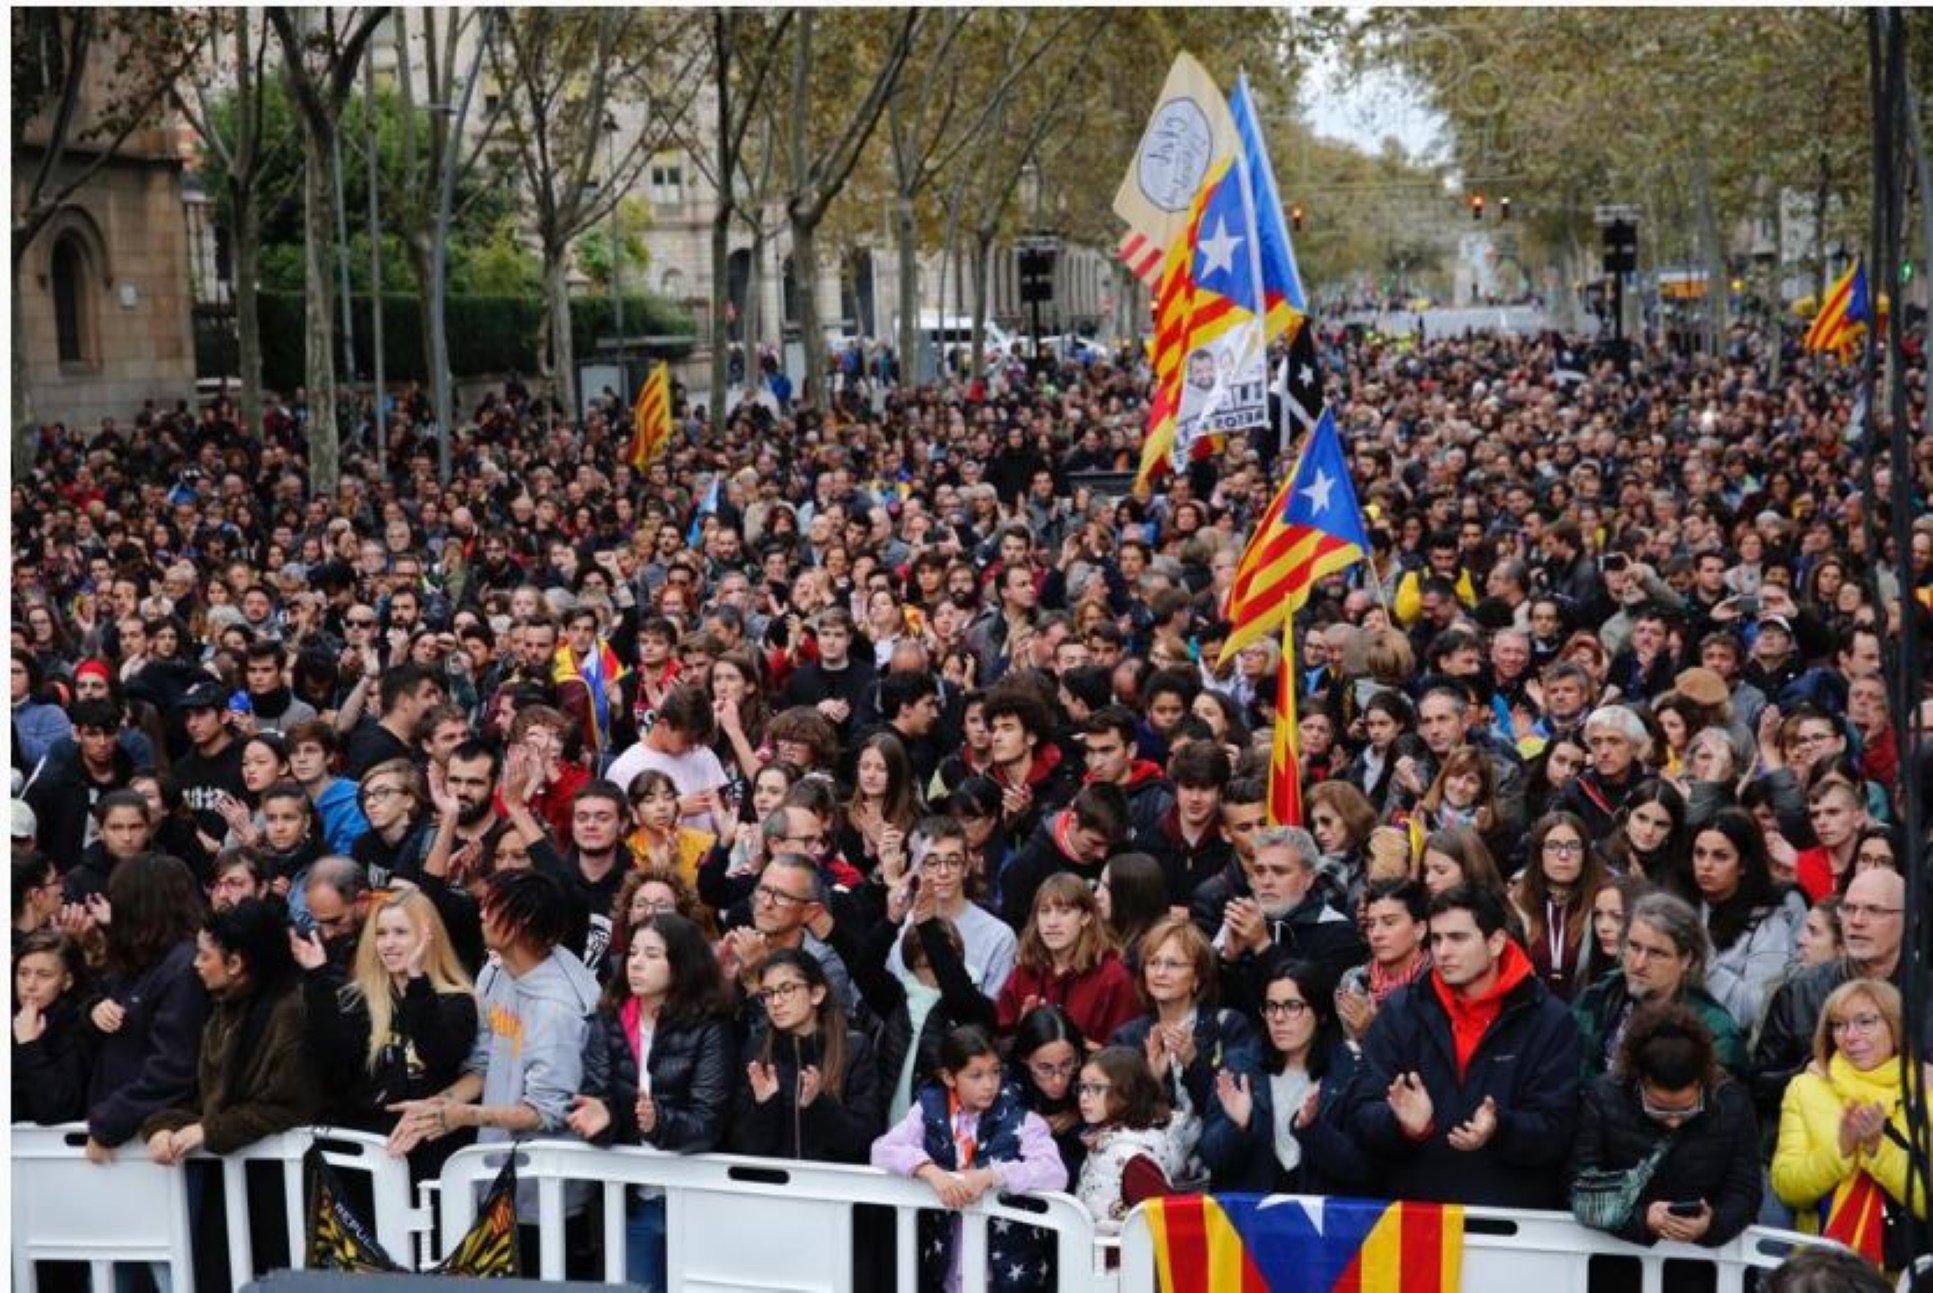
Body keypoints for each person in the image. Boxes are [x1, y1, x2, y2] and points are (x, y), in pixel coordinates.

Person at [386, 869, 600, 1227]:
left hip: (545, 1201)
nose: (480, 914)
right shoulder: (496, 972)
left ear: (521, 922)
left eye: (491, 907)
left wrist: (462, 1117)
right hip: (493, 1180)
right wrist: (440, 1104)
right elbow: (485, 1063)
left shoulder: (559, 1009)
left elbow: (546, 1112)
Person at [1348, 884, 1581, 1208]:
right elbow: (1361, 1114)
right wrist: (1401, 1125)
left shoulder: (1550, 1020)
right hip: (1417, 1227)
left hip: (1513, 1228)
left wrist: (1501, 1128)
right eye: (1437, 939)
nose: (1442, 952)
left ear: (1496, 942)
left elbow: (1558, 1131)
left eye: (1458, 938)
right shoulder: (1401, 1012)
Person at [569, 912, 736, 1289]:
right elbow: (598, 1098)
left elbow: (709, 1122)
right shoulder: (610, 1017)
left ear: (680, 964)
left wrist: (660, 1122)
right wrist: (602, 1121)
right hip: (632, 1199)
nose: (636, 963)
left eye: (652, 955)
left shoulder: (710, 1025)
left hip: (695, 1198)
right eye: (632, 953)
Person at [1568, 1001, 1762, 1280]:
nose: (1673, 1120)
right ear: (1638, 1080)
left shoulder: (1731, 1102)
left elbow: (1745, 1189)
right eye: (1659, 1108)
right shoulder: (1603, 1097)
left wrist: (1712, 1224)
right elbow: (1580, 1183)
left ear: (1702, 1082)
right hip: (1616, 1267)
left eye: (1686, 1109)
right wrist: (1641, 1219)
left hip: (1705, 1273)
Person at [871, 1023, 1067, 1293]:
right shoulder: (929, 1107)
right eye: (976, 1076)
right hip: (948, 1257)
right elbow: (882, 1150)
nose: (989, 1085)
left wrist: (992, 1176)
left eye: (995, 1072)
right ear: (950, 1077)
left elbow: (1054, 1172)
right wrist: (930, 1171)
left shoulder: (1018, 1113)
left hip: (1009, 1261)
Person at [301, 889, 479, 1181]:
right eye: (381, 934)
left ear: (427, 937)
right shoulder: (359, 999)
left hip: (430, 1163)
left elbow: (438, 1054)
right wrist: (318, 981)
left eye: (400, 932)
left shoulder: (457, 1000)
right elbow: (332, 1063)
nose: (389, 944)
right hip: (365, 1161)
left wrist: (417, 980)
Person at [142, 898, 319, 1159]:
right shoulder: (226, 1007)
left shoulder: (289, 1012)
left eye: (204, 956)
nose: (195, 964)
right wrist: (163, 1126)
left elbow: (291, 1107)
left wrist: (210, 1131)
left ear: (235, 964)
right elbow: (208, 1100)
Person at [1771, 979, 1927, 1271]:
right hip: (1820, 1272)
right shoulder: (1806, 1088)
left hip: (1906, 1274)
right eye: (1838, 1025)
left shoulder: (1926, 1091)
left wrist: (1877, 1149)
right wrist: (1841, 1151)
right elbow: (1787, 1187)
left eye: (1865, 1022)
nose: (1850, 1036)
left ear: (1895, 1026)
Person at [1111, 915, 1273, 1191]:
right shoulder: (1128, 1037)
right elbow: (1118, 1119)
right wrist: (1153, 1082)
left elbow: (1231, 1116)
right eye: (1153, 963)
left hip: (1216, 1179)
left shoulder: (1229, 1027)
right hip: (1152, 1179)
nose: (1160, 972)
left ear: (1197, 977)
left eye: (1172, 964)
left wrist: (1193, 1063)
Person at [82, 854, 211, 1163]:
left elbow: (173, 1068)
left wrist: (107, 1124)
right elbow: (98, 997)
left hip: (152, 1142)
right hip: (124, 1129)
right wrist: (93, 1009)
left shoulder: (184, 968)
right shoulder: (137, 956)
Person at [728, 948, 882, 1162]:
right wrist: (765, 1105)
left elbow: (864, 1139)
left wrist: (820, 1104)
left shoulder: (853, 1048)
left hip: (832, 1186)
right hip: (772, 1185)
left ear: (817, 993)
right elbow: (743, 1145)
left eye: (787, 989)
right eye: (767, 994)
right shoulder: (757, 1049)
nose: (776, 1002)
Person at [1675, 809, 1803, 1032]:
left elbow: (1756, 1010)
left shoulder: (1769, 923)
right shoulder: (1679, 906)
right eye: (1699, 853)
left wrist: (1702, 959)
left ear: (1743, 865)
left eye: (1720, 856)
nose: (1705, 865)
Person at [1255, 959, 1372, 1194]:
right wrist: (1241, 1126)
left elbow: (1362, 1171)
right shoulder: (1245, 1068)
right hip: (1253, 1221)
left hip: (1325, 1221)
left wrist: (1313, 1130)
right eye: (1271, 1006)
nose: (1278, 1018)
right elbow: (1214, 1156)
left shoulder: (1351, 1072)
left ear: (1321, 1014)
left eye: (1292, 1006)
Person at [994, 871, 1140, 1047]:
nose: (1052, 922)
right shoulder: (1023, 973)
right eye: (1045, 912)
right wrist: (1024, 1031)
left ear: (1086, 917)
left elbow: (1126, 1054)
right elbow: (999, 1044)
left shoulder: (1113, 978)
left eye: (1064, 912)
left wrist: (1078, 1046)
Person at [1071, 1044, 1190, 1233]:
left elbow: (1170, 1227)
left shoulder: (1133, 1159)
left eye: (1096, 1087)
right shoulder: (1104, 1142)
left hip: (1126, 1261)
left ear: (1126, 1092)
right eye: (1082, 1087)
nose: (1084, 1097)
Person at [1515, 811, 1605, 1001]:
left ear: (1585, 854)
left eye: (1573, 846)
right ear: (1539, 854)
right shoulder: (1517, 902)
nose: (1564, 855)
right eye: (1553, 846)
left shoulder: (1602, 904)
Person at [13, 929, 95, 1124]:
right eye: (23, 973)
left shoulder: (78, 1028)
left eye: (44, 975)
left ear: (66, 981)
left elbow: (57, 1109)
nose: (30, 985)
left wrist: (29, 1045)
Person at [1336, 877, 1432, 1042]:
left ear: (1419, 929)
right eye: (1371, 924)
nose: (1376, 934)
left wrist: (1373, 1030)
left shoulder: (1438, 982)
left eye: (1389, 923)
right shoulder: (1354, 982)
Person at [1004, 1004, 1088, 1177]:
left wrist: (1080, 1113)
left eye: (1066, 1064)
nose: (1058, 1080)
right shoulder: (1004, 1078)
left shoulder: (1093, 1073)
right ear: (1024, 1059)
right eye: (1045, 1068)